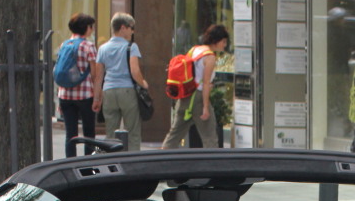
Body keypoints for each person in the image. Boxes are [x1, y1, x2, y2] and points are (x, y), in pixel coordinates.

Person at [161, 24, 229, 149]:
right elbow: (206, 84)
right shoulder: (210, 57)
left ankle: (160, 159)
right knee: (210, 138)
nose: (225, 45)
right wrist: (205, 107)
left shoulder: (195, 50)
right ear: (216, 40)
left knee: (174, 135)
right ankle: (212, 165)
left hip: (185, 96)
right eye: (223, 41)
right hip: (198, 98)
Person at [93, 13, 149, 151]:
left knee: (111, 132)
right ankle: (133, 161)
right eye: (131, 28)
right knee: (133, 131)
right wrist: (143, 84)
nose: (132, 31)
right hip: (127, 90)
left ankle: (112, 161)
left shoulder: (103, 48)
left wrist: (96, 98)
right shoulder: (131, 47)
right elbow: (135, 71)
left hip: (109, 91)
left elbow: (98, 76)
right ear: (123, 28)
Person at [56, 14, 97, 157]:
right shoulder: (88, 46)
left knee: (70, 134)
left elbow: (60, 71)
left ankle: (70, 164)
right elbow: (95, 74)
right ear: (86, 28)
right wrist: (97, 97)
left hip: (65, 95)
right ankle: (88, 165)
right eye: (91, 27)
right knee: (89, 133)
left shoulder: (64, 44)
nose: (92, 30)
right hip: (84, 95)